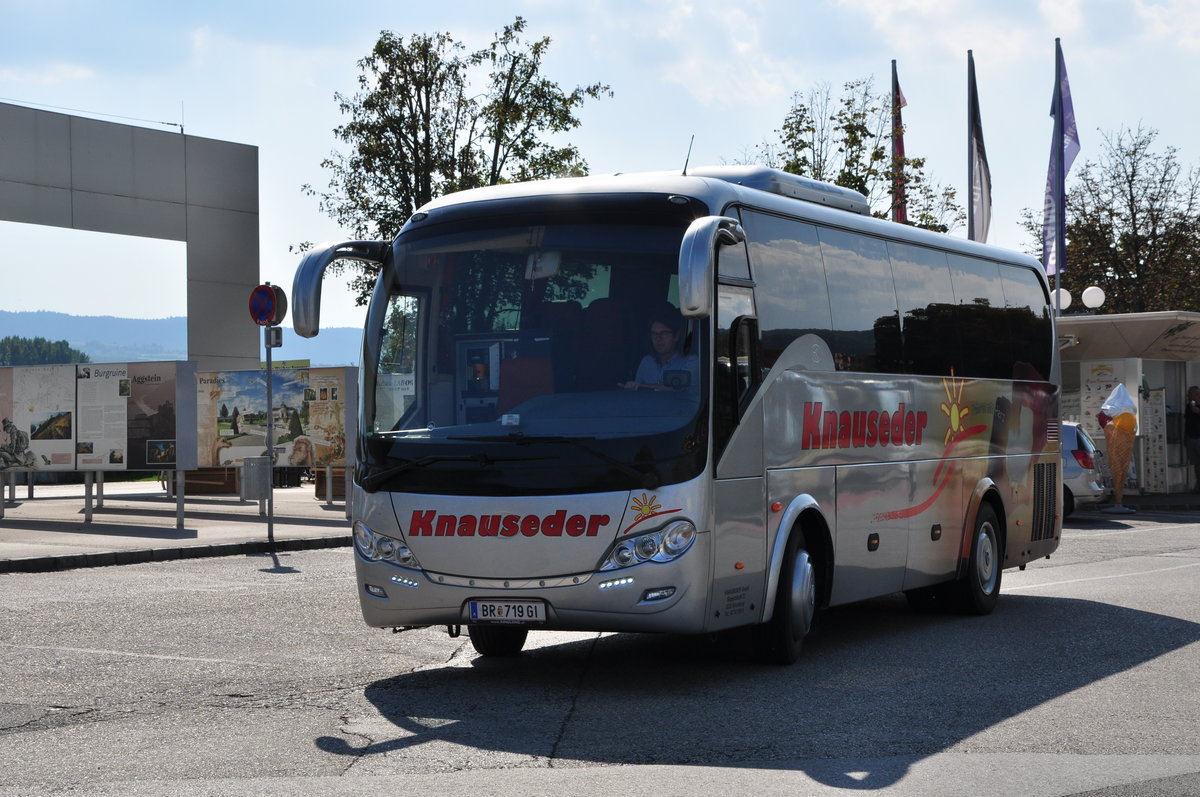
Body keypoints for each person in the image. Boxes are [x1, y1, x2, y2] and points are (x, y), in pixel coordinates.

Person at [620, 312, 698, 390]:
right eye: (654, 334)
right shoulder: (647, 362)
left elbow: (680, 390)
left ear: (676, 336)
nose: (658, 338)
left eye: (664, 333)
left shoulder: (691, 361)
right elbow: (637, 391)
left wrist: (641, 386)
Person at [1185, 386, 1200, 490]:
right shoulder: (1188, 406)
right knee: (1196, 463)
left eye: (1197, 394)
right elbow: (1187, 422)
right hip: (1191, 437)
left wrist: (1198, 411)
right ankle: (1198, 484)